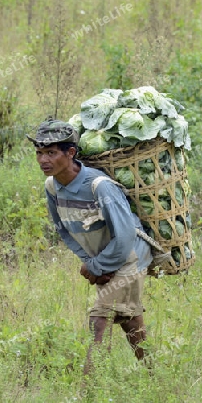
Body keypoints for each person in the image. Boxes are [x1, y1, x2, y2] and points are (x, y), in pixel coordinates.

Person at [26, 119, 153, 374]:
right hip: (104, 261)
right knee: (130, 322)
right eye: (39, 153)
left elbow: (126, 236)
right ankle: (156, 376)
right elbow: (64, 229)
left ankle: (89, 391)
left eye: (51, 152)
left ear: (70, 153)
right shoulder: (52, 186)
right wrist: (92, 263)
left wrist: (98, 265)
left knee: (99, 321)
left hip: (129, 257)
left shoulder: (99, 186)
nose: (43, 160)